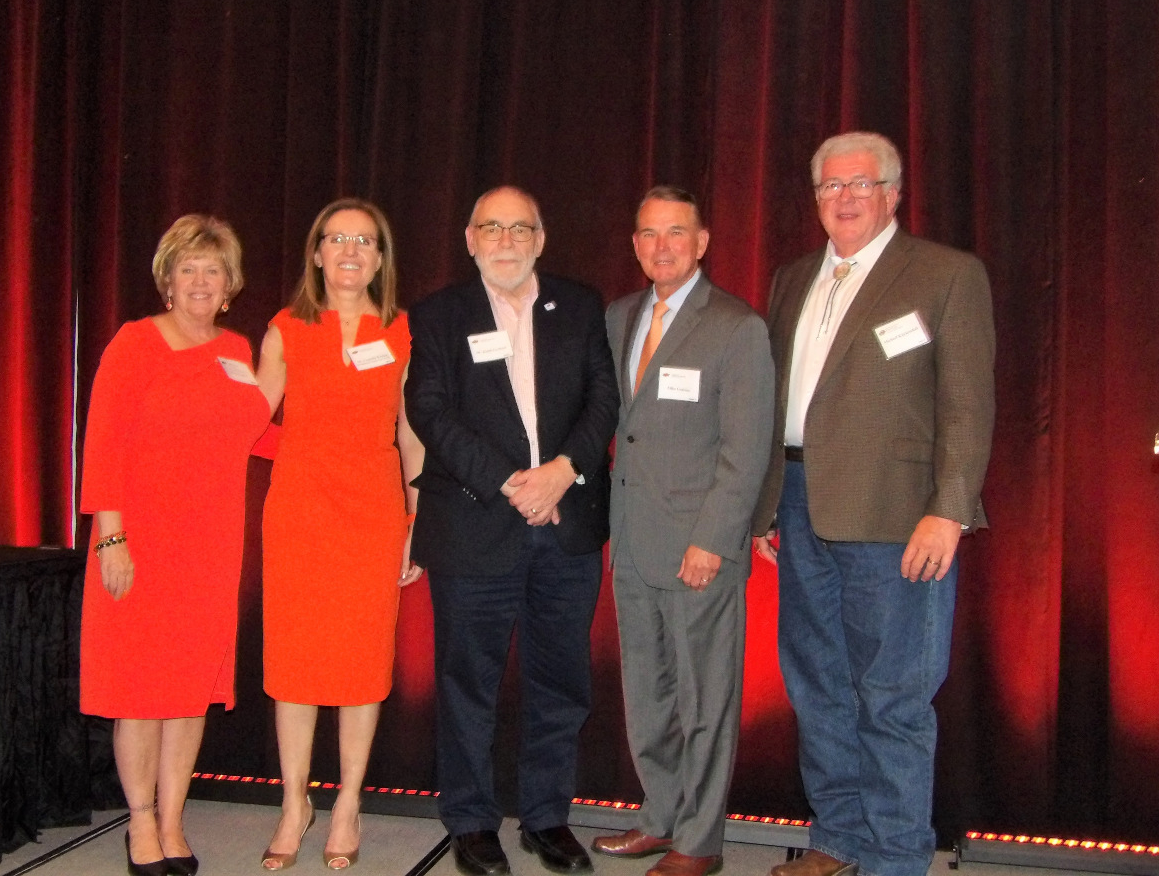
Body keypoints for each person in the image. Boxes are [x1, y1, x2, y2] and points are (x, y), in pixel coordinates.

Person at [752, 132, 995, 876]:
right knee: (817, 686)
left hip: (898, 514)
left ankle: (895, 858)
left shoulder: (946, 274)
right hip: (799, 504)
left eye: (862, 184)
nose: (845, 197)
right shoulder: (793, 278)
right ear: (816, 198)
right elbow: (780, 401)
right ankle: (839, 839)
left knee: (892, 697)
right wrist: (767, 506)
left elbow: (967, 404)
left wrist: (948, 510)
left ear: (894, 193)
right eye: (830, 186)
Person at [404, 186, 618, 876]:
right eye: (491, 228)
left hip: (566, 523)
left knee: (561, 680)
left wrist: (561, 470)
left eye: (519, 227)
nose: (505, 239)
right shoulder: (439, 314)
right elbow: (429, 411)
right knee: (469, 682)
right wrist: (510, 482)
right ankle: (470, 820)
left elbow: (603, 399)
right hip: (475, 522)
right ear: (469, 239)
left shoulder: (580, 306)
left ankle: (546, 817)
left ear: (540, 237)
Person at [80, 215, 273, 876]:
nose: (199, 280)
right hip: (139, 541)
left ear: (229, 286)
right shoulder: (136, 342)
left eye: (212, 270)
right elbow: (103, 442)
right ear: (168, 278)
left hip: (210, 547)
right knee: (140, 692)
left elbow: (257, 433)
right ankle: (139, 823)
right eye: (188, 268)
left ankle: (172, 820)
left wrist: (342, 440)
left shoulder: (239, 350)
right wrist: (111, 537)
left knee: (190, 690)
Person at [595, 186, 774, 876]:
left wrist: (714, 539)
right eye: (647, 234)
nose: (661, 246)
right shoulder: (618, 318)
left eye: (676, 233)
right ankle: (661, 816)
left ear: (702, 243)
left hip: (699, 547)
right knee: (649, 696)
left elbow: (746, 447)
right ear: (635, 244)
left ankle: (698, 842)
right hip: (633, 544)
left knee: (705, 701)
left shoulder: (735, 326)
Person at [255, 198, 425, 871]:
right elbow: (250, 416)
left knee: (360, 666)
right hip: (299, 511)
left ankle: (348, 802)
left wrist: (415, 524)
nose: (350, 251)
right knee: (295, 667)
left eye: (365, 241)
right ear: (317, 254)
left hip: (375, 514)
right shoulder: (286, 328)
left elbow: (413, 435)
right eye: (337, 240)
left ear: (380, 258)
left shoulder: (404, 331)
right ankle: (295, 802)